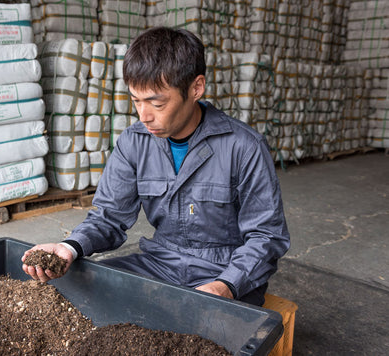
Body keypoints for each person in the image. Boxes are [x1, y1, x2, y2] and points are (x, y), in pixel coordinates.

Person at [22, 27, 290, 306]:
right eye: (136, 101)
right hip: (160, 262)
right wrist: (69, 247)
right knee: (78, 292)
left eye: (157, 103)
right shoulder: (134, 142)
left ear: (196, 88)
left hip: (223, 271)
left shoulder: (244, 147)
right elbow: (109, 217)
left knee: (202, 337)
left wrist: (226, 286)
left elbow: (267, 236)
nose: (144, 115)